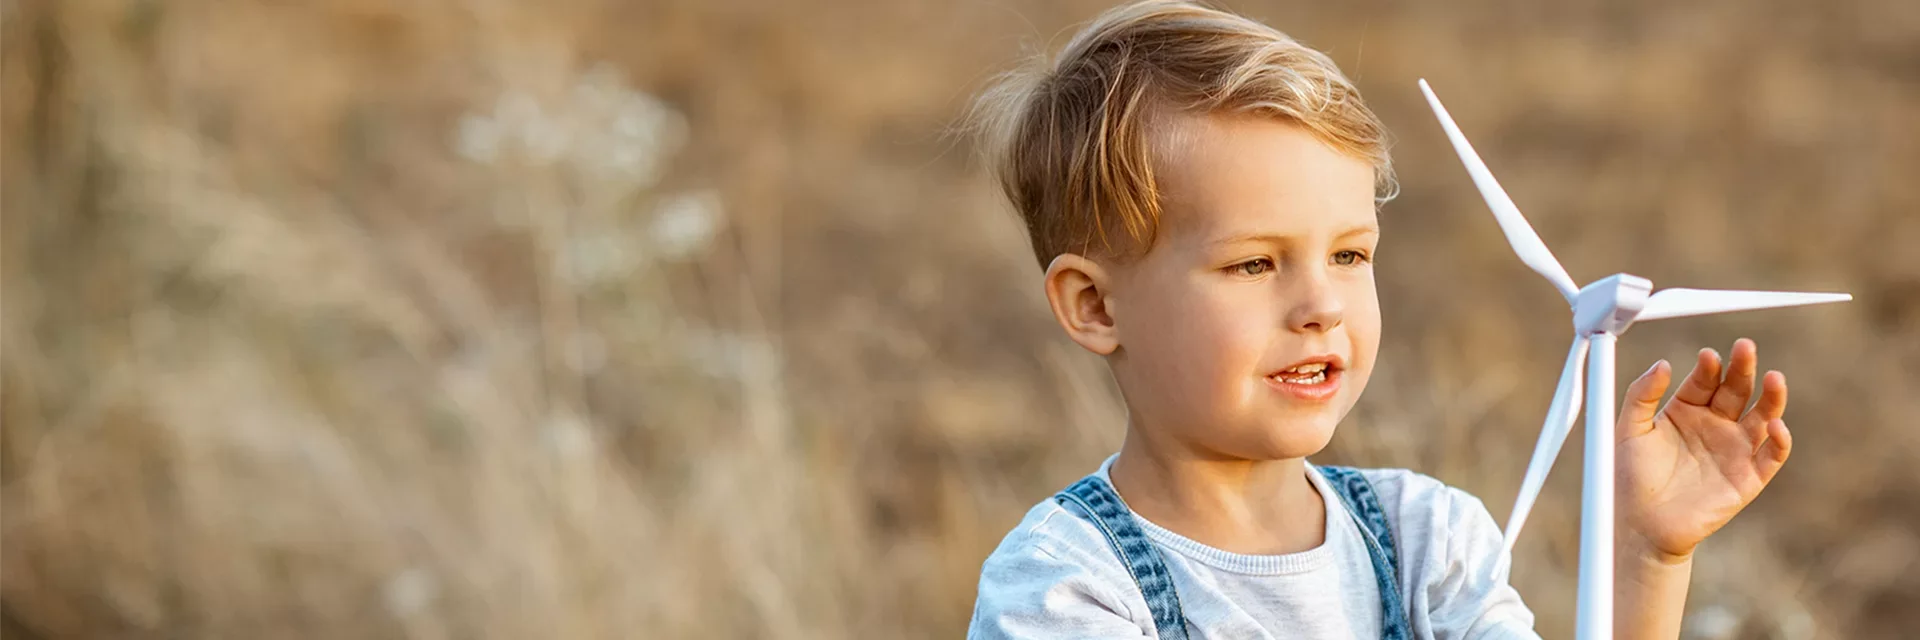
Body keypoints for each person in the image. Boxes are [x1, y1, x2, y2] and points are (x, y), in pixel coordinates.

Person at [964, 1, 1797, 638]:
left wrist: (1648, 555)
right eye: (1254, 263)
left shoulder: (1426, 542)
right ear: (1095, 305)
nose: (1321, 305)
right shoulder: (1066, 587)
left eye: (1350, 256)